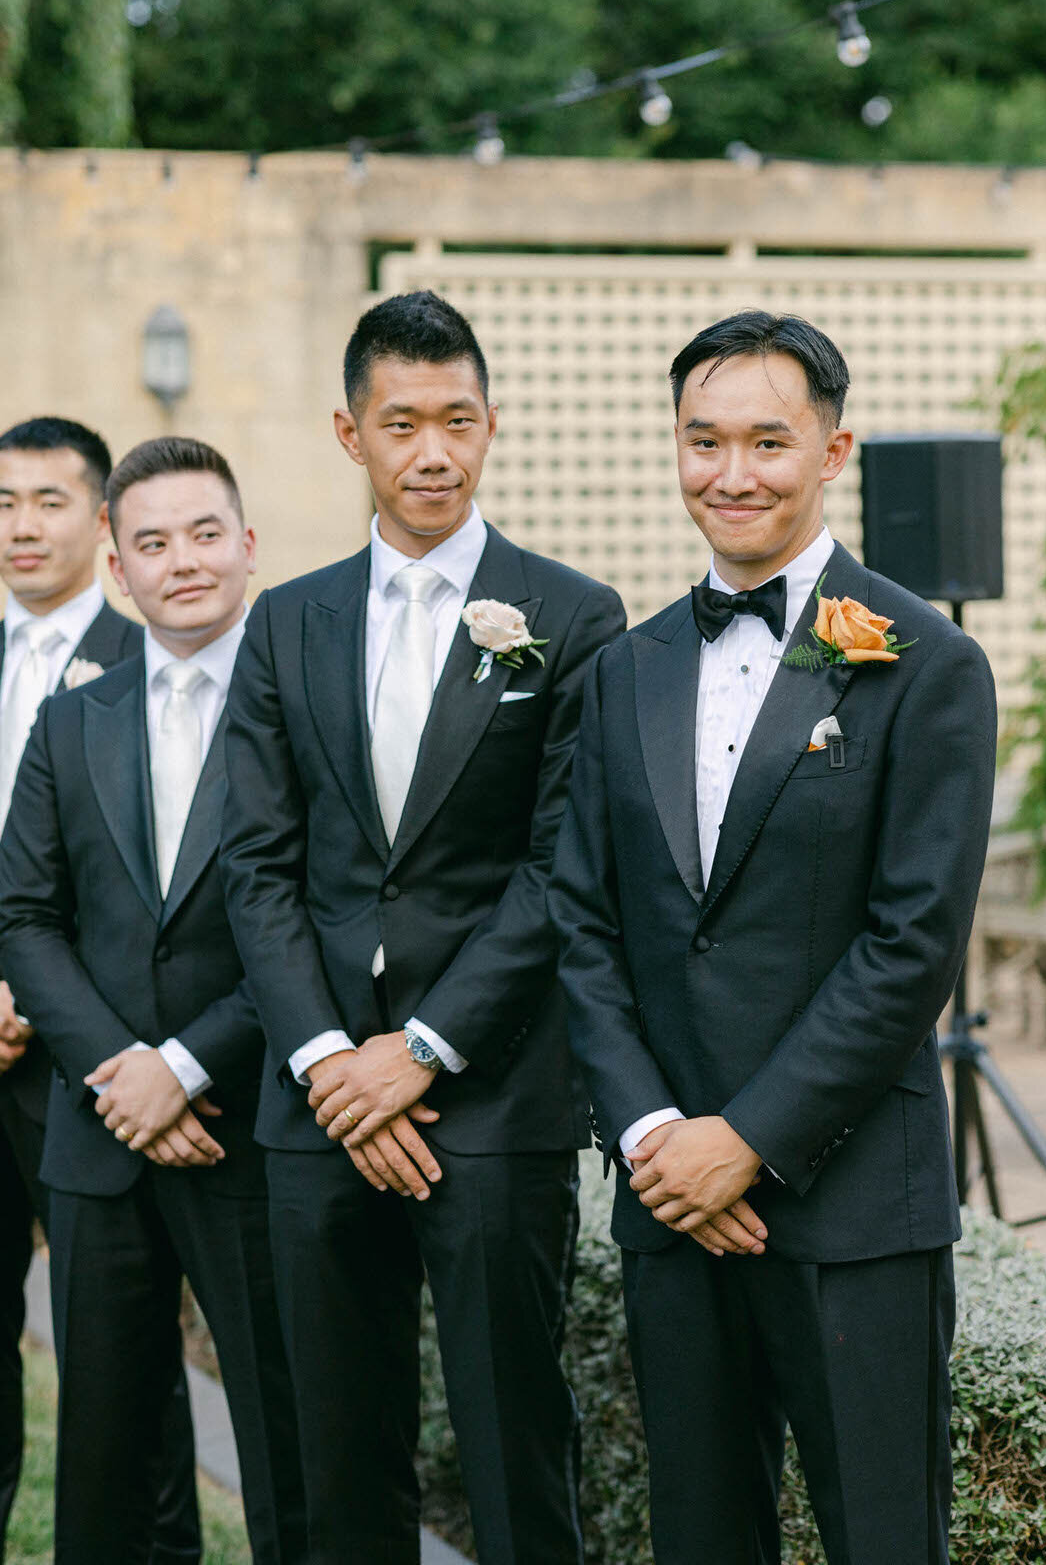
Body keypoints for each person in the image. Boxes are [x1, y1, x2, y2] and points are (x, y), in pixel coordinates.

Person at [549, 310, 997, 1565]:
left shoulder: (925, 661)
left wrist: (745, 1141)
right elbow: (582, 920)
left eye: (766, 441)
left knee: (879, 1536)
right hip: (668, 1205)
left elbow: (910, 944)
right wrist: (653, 1137)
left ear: (831, 450)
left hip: (850, 1203)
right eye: (702, 441)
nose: (731, 473)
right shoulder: (622, 668)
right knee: (697, 1534)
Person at [219, 289, 626, 1565]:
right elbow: (257, 865)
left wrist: (426, 1048)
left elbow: (564, 869)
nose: (433, 450)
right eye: (404, 423)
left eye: (458, 419)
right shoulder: (284, 620)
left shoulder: (570, 615)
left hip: (491, 1096)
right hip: (316, 1099)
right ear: (353, 435)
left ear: (491, 425)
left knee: (514, 1446)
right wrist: (331, 1060)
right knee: (334, 1453)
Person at [0, 436, 307, 1565]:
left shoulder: (305, 708)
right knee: (104, 1452)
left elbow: (314, 920)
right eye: (153, 541)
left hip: (252, 1126)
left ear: (247, 546)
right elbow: (24, 914)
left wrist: (179, 1067)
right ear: (118, 569)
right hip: (99, 1133)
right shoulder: (71, 720)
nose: (183, 560)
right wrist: (118, 1069)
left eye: (204, 532)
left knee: (283, 1433)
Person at [0, 416, 201, 1564]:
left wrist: (40, 998)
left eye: (49, 501)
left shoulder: (155, 658)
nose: (24, 526)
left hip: (96, 1056)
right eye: (3, 504)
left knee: (118, 1357)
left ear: (102, 524)